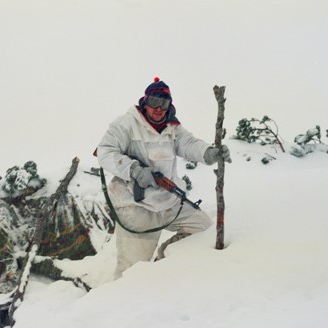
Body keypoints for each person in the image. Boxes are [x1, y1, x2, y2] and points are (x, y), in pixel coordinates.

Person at [97, 77, 231, 278]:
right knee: (132, 272)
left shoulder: (172, 127)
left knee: (203, 230)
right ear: (145, 101)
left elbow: (188, 144)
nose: (159, 108)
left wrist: (208, 153)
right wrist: (133, 169)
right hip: (136, 206)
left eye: (164, 103)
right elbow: (104, 152)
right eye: (154, 102)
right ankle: (122, 302)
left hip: (169, 199)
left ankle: (164, 261)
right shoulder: (127, 124)